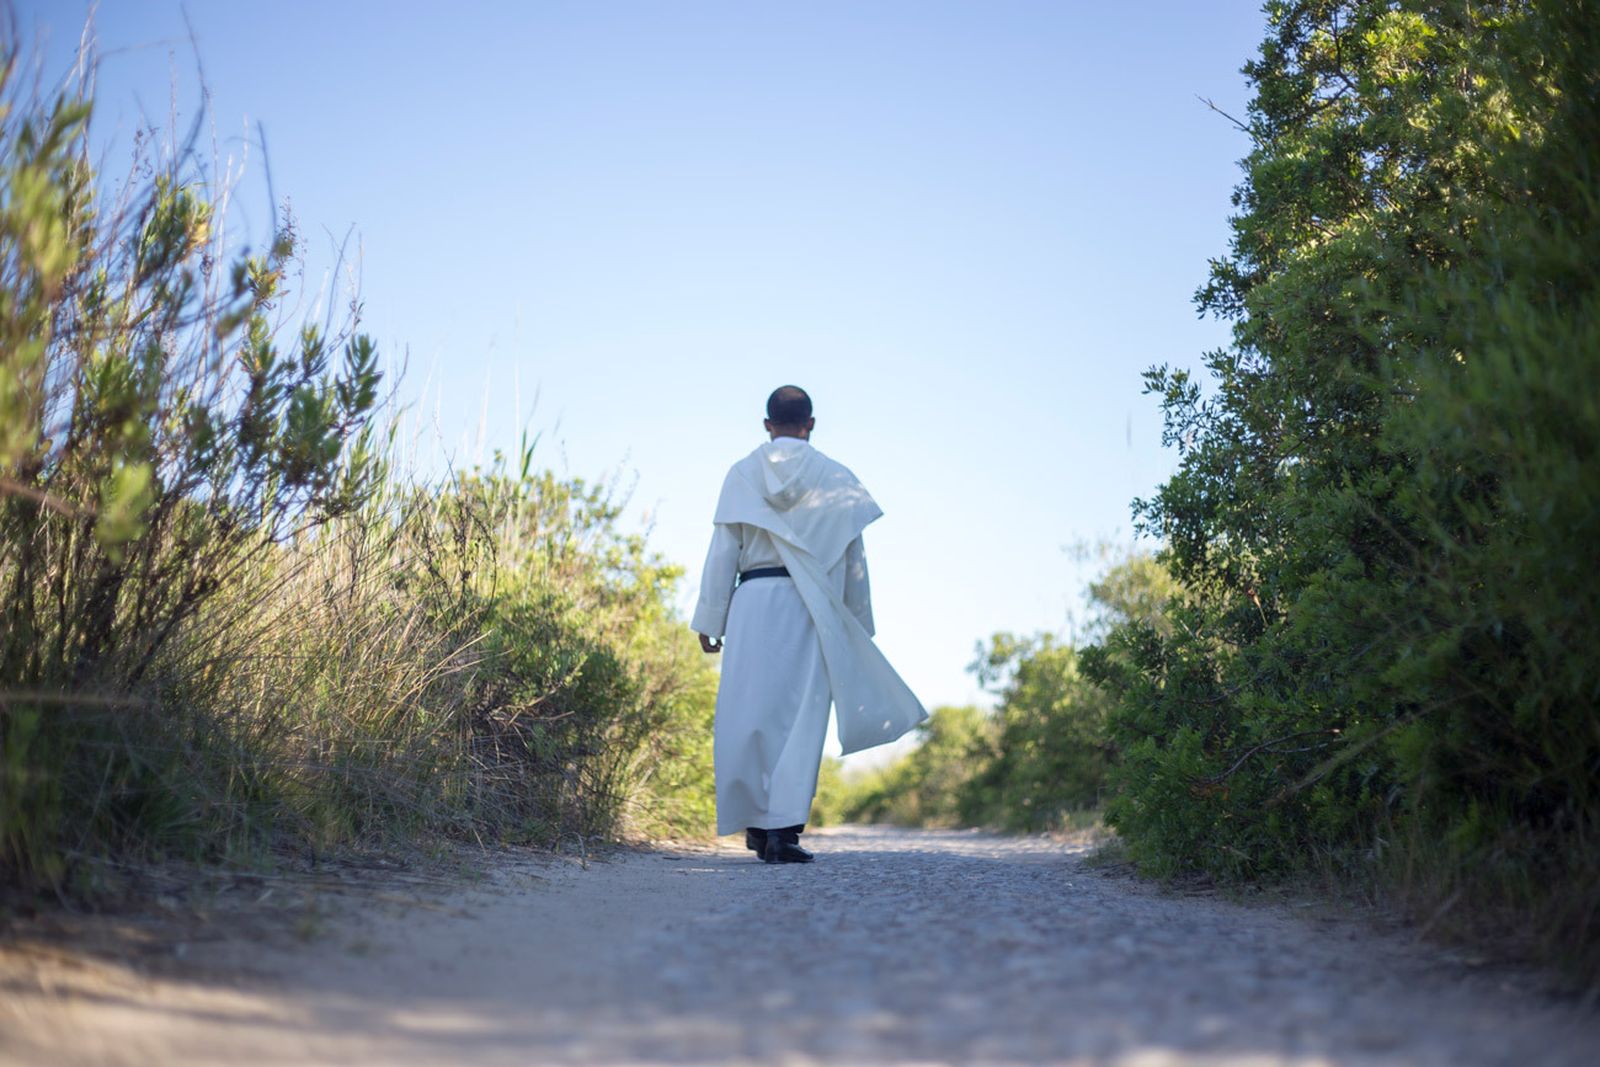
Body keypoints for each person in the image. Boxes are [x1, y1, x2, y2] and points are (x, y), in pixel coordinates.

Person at [692, 385, 927, 864]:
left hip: (753, 601)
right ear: (811, 424)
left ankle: (757, 826)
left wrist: (710, 617)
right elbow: (853, 557)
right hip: (811, 604)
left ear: (766, 424)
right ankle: (782, 832)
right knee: (801, 717)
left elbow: (723, 551)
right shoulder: (837, 477)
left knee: (749, 714)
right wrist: (855, 623)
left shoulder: (742, 474)